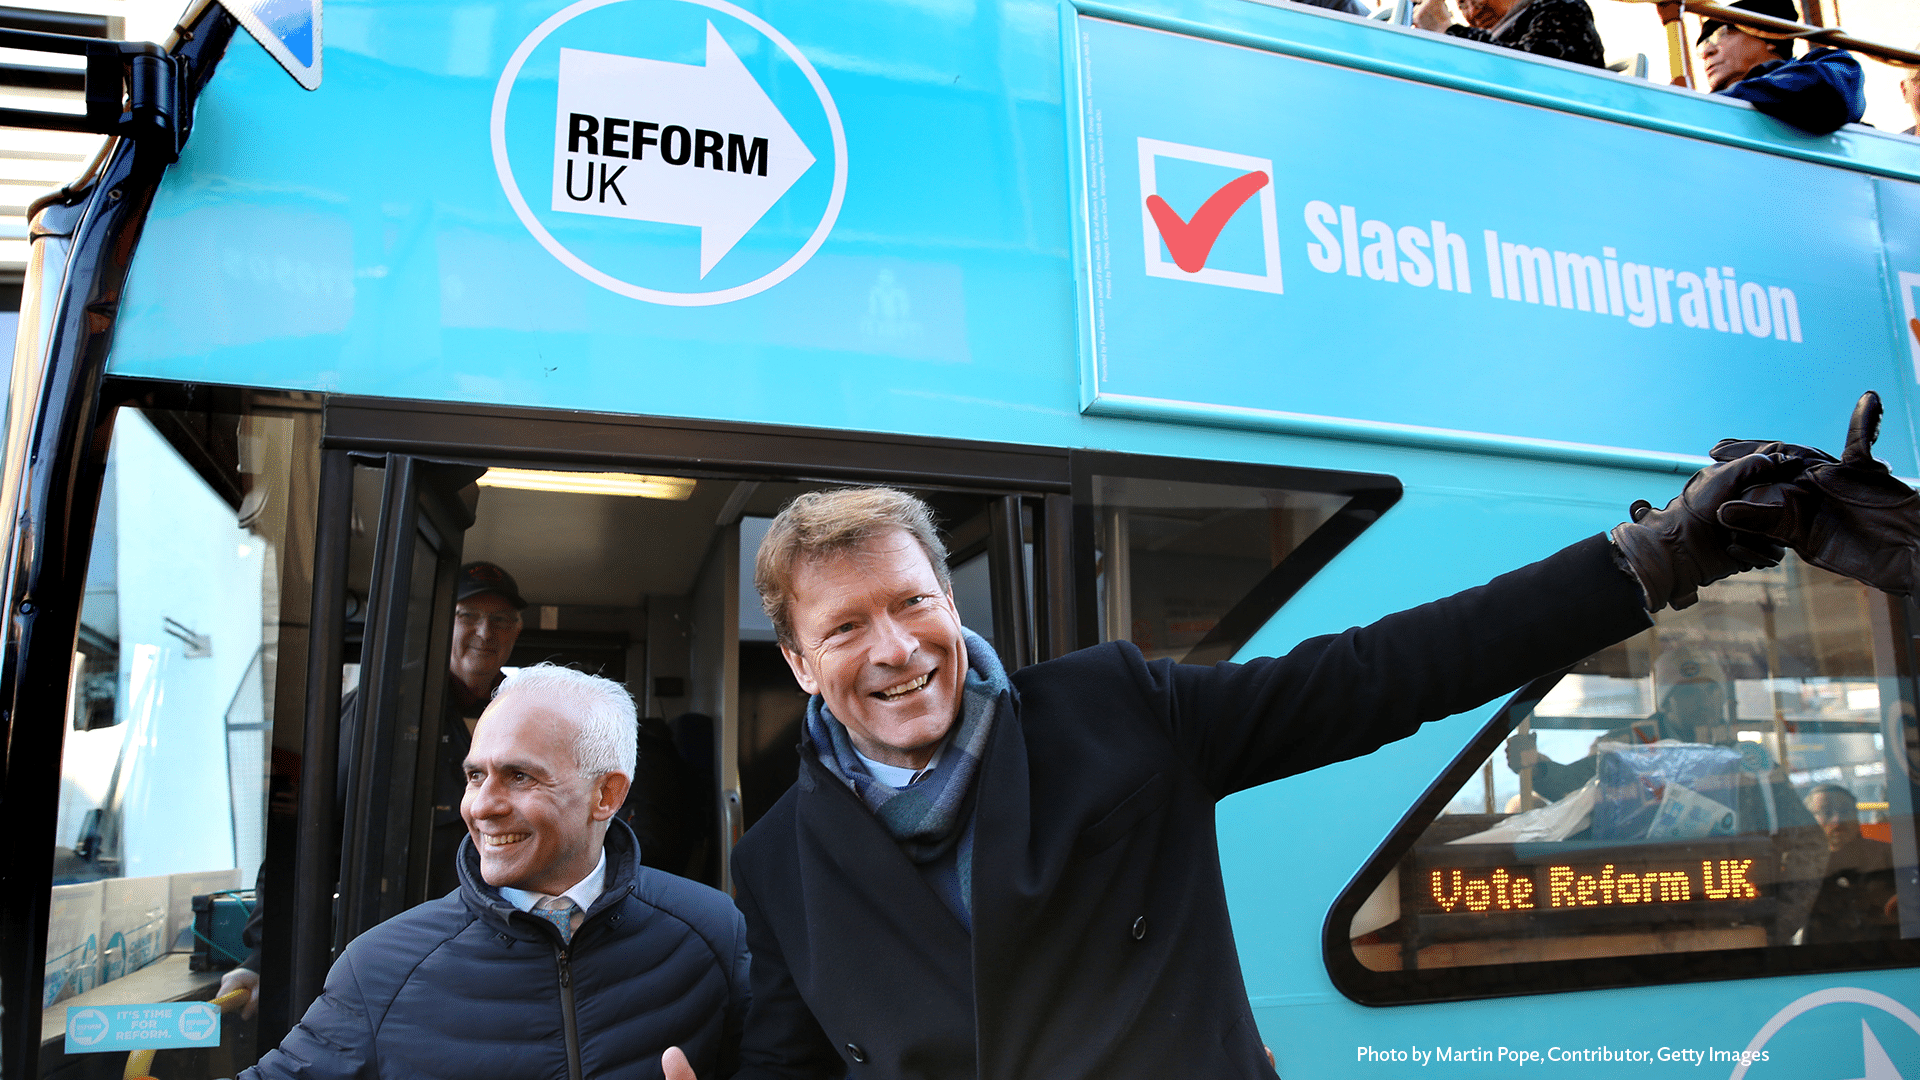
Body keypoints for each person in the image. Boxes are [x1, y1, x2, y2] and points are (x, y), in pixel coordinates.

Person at [667, 393, 1917, 1080]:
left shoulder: (1114, 709)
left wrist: (1673, 549)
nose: (893, 649)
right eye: (848, 628)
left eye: (914, 604)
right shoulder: (779, 862)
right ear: (798, 659)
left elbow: (1386, 673)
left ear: (952, 604)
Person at [242, 663, 750, 1080]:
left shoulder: (710, 930)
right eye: (475, 775)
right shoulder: (381, 969)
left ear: (607, 795)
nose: (481, 807)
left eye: (520, 775)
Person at [217, 561, 531, 1016]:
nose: (486, 631)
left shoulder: (521, 716)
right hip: (397, 970)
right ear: (440, 623)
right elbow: (308, 842)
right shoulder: (383, 708)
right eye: (468, 616)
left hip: (492, 963)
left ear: (516, 632)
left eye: (500, 619)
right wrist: (267, 955)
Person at [1699, 0, 1863, 135]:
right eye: (1703, 45)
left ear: (1769, 36)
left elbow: (1827, 91)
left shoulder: (1828, 64)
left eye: (1720, 34)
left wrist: (1718, 102)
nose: (1707, 51)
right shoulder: (1705, 109)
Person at [1802, 782, 1899, 943]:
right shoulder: (1799, 864)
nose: (1837, 820)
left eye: (1846, 811)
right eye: (1826, 812)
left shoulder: (1887, 854)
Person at [1411, 0, 1605, 68]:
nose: (1472, 12)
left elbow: (1530, 70)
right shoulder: (1494, 35)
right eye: (1461, 3)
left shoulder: (1561, 8)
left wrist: (1448, 30)